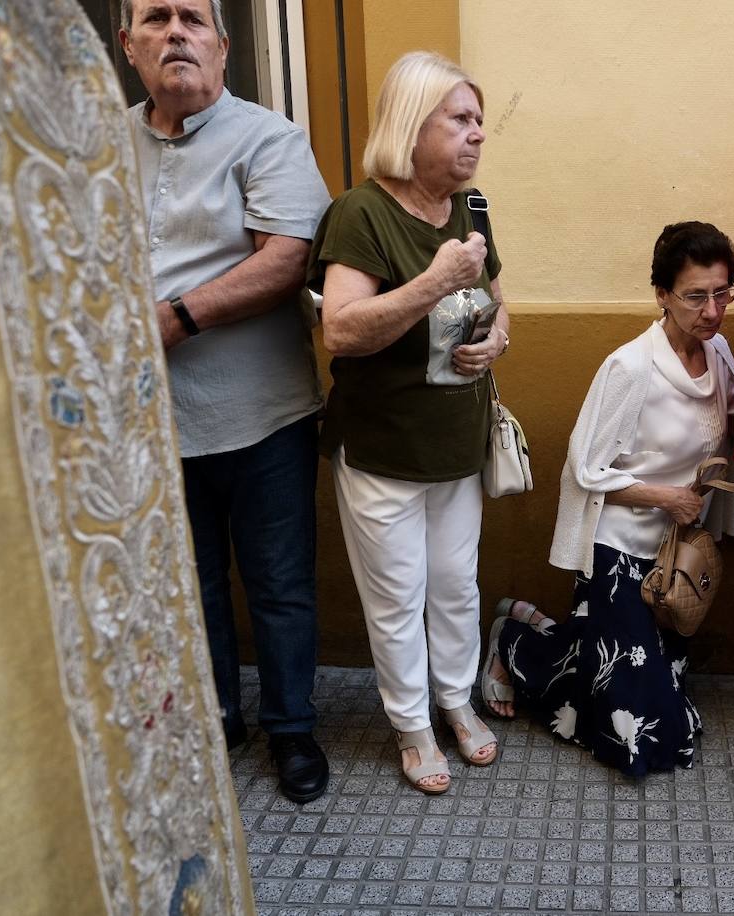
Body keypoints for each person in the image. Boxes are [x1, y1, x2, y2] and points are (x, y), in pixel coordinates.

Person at [120, 0, 331, 802]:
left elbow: (284, 259)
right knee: (189, 581)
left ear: (223, 44)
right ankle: (214, 719)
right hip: (147, 419)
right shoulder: (101, 148)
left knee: (278, 582)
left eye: (193, 19)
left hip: (261, 414)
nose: (176, 32)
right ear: (129, 45)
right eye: (156, 18)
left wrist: (174, 316)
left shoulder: (268, 137)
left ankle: (290, 730)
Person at [309, 52, 509, 795]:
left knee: (457, 586)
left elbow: (495, 297)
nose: (477, 135)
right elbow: (343, 330)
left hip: (457, 443)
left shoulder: (472, 208)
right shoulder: (360, 212)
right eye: (460, 119)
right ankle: (411, 724)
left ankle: (455, 700)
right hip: (382, 450)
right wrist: (433, 283)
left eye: (479, 120)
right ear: (411, 123)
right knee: (398, 595)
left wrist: (498, 337)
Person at [481, 222, 734, 778]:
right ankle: (515, 644)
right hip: (618, 546)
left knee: (672, 717)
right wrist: (664, 497)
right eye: (696, 295)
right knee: (640, 737)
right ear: (662, 296)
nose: (713, 309)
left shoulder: (719, 354)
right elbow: (584, 470)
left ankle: (549, 628)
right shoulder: (631, 367)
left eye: (723, 293)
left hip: (675, 556)